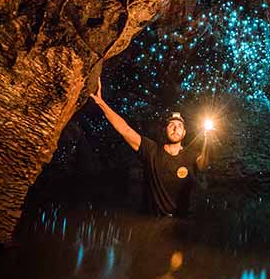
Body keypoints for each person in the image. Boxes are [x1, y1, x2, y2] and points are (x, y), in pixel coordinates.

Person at [89, 77, 211, 218]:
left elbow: (203, 164)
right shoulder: (151, 150)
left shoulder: (192, 156)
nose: (175, 128)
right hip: (152, 221)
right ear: (165, 130)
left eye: (179, 126)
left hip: (180, 225)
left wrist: (208, 139)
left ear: (184, 132)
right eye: (171, 125)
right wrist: (101, 103)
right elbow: (125, 130)